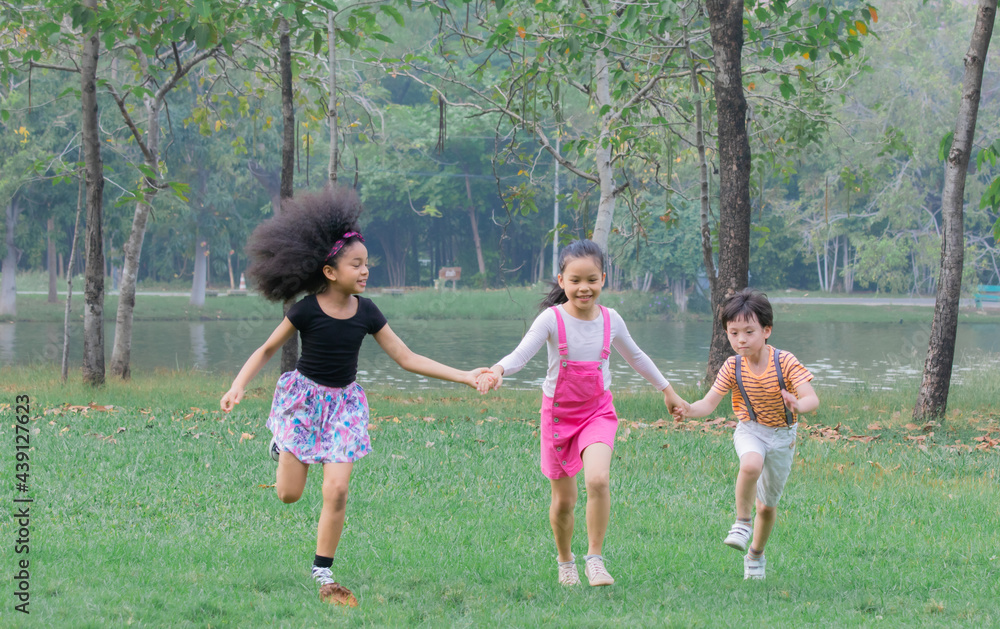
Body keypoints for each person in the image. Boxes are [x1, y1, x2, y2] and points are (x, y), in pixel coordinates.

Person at [220, 187, 487, 606]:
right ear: (330, 271)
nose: (365, 271)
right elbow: (267, 349)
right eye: (356, 264)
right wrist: (238, 385)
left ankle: (322, 567)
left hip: (344, 405)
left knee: (338, 490)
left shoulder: (368, 312)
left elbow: (407, 357)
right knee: (288, 494)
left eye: (367, 264)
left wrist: (465, 376)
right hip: (305, 402)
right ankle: (281, 443)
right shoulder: (306, 309)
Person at [476, 239, 686, 587]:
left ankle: (595, 559)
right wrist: (497, 370)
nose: (583, 288)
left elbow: (637, 357)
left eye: (591, 279)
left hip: (598, 412)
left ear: (603, 278)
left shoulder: (611, 320)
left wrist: (668, 389)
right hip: (557, 418)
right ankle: (565, 561)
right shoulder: (551, 318)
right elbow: (521, 354)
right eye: (575, 280)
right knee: (564, 501)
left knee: (598, 480)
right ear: (561, 281)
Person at [677, 288, 819, 580]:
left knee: (767, 508)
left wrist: (798, 404)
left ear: (767, 330)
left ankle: (755, 553)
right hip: (750, 429)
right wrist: (689, 410)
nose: (740, 340)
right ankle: (741, 522)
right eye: (733, 333)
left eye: (749, 332)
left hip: (782, 436)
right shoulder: (732, 366)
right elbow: (709, 403)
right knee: (750, 464)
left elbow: (812, 399)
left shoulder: (785, 362)